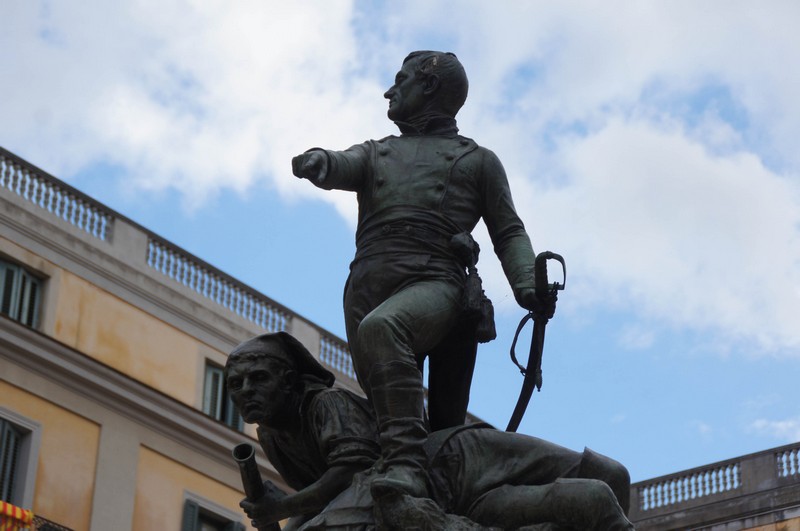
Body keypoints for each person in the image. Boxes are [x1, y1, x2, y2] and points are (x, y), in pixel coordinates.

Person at [292, 51, 544, 500]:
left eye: (401, 80)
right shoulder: (378, 152)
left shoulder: (478, 160)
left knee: (384, 332)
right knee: (390, 407)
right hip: (367, 284)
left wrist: (528, 284)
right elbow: (345, 163)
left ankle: (405, 467)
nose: (389, 91)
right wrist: (321, 161)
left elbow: (508, 231)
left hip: (436, 280)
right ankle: (417, 480)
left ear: (428, 86)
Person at [226, 333, 634, 531]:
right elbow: (322, 504)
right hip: (443, 497)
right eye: (236, 384)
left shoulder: (325, 404)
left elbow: (351, 475)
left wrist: (283, 508)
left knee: (607, 476)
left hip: (457, 459)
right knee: (570, 508)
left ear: (289, 381)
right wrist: (282, 516)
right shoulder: (272, 437)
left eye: (258, 378)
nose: (246, 391)